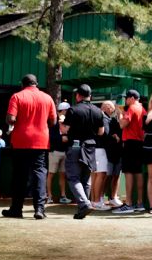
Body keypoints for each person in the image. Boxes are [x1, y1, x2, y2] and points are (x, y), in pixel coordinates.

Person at [2, 75, 56, 220]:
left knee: (19, 175)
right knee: (39, 173)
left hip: (21, 140)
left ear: (22, 84)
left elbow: (11, 119)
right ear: (36, 84)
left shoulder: (17, 96)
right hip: (41, 141)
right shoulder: (47, 98)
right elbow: (53, 121)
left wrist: (13, 119)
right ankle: (39, 209)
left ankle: (16, 209)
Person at [60, 84, 104, 219]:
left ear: (78, 95)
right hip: (91, 147)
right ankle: (82, 210)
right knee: (86, 180)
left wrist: (60, 122)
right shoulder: (98, 111)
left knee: (73, 177)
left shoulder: (73, 110)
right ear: (90, 96)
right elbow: (101, 132)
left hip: (76, 146)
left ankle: (84, 204)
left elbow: (65, 130)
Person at [112, 90, 145, 214]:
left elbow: (122, 125)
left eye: (127, 98)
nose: (125, 100)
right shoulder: (143, 109)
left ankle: (129, 203)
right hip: (139, 143)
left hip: (131, 143)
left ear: (132, 98)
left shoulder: (131, 108)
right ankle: (140, 203)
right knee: (138, 172)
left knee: (129, 172)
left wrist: (120, 113)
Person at [46, 102, 72, 203]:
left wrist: (67, 138)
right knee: (51, 174)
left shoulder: (69, 122)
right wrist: (61, 139)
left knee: (62, 174)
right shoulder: (53, 122)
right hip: (54, 152)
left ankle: (63, 196)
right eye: (67, 110)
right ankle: (49, 197)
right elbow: (50, 137)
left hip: (65, 152)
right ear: (64, 111)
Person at [99, 101, 124, 208]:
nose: (114, 109)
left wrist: (120, 114)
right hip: (107, 152)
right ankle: (99, 197)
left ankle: (113, 197)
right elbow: (106, 133)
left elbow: (121, 129)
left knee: (116, 176)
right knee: (106, 176)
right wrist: (114, 136)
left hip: (117, 152)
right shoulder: (103, 118)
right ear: (106, 107)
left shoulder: (114, 119)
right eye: (112, 107)